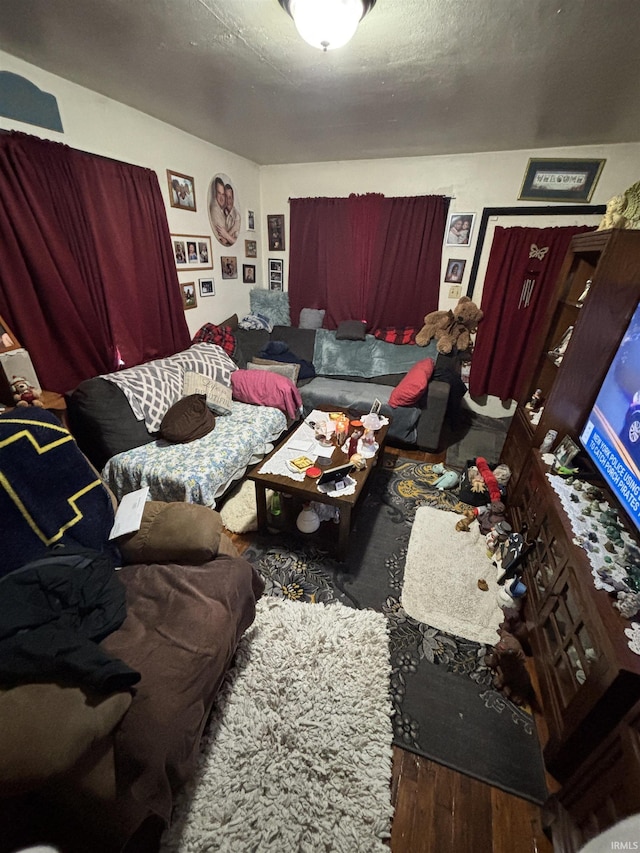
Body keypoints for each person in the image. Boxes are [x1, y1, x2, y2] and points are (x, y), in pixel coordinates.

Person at [210, 176, 233, 246]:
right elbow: (224, 240)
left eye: (223, 194)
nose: (221, 198)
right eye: (219, 193)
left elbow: (226, 236)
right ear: (215, 193)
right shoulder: (214, 210)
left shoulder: (224, 211)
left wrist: (227, 235)